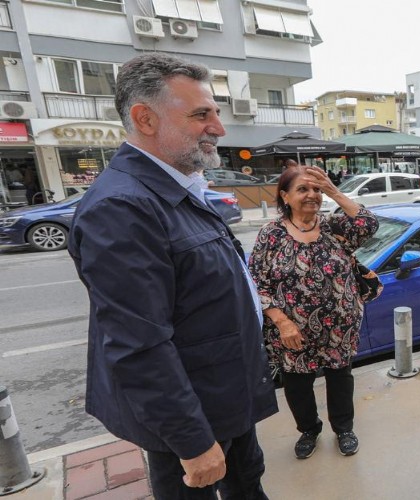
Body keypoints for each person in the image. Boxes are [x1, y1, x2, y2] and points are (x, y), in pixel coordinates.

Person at [68, 53, 278, 499]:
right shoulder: (122, 208)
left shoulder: (176, 187)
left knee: (248, 486)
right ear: (145, 119)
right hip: (194, 417)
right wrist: (193, 442)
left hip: (224, 398)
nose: (218, 128)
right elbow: (138, 344)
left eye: (216, 113)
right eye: (201, 114)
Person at [248, 165, 378, 460]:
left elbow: (368, 224)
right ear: (285, 196)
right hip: (291, 329)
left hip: (339, 323)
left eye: (316, 190)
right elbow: (256, 283)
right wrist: (281, 322)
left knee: (340, 377)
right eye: (303, 189)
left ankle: (344, 428)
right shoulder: (271, 234)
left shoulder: (334, 227)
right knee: (297, 384)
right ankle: (309, 430)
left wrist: (332, 189)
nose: (312, 196)